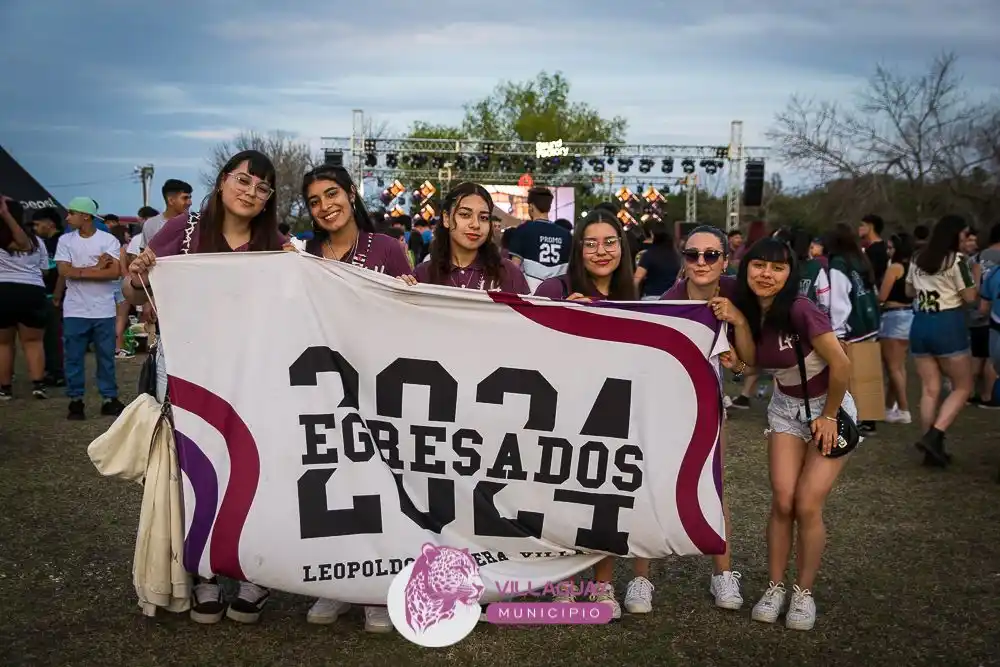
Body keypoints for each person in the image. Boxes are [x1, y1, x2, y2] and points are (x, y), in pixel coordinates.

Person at [125, 149, 287, 626]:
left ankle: (255, 573)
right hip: (188, 371)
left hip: (254, 373)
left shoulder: (277, 245)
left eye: (262, 188)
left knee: (255, 465)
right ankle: (204, 573)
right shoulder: (185, 230)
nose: (250, 193)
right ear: (221, 181)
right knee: (195, 465)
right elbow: (137, 292)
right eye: (243, 180)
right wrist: (138, 272)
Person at [291, 165, 411, 634]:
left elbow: (412, 313)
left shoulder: (386, 247)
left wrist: (407, 294)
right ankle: (337, 581)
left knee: (379, 480)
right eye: (315, 200)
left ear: (351, 194)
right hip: (324, 382)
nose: (325, 206)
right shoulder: (305, 254)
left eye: (332, 194)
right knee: (333, 478)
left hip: (381, 379)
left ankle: (377, 587)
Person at [733, 237, 855, 632]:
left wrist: (831, 416)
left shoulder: (801, 311)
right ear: (746, 267)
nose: (766, 274)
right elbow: (752, 361)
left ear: (790, 274)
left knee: (806, 504)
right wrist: (735, 321)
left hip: (828, 408)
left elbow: (841, 363)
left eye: (778, 268)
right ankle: (775, 586)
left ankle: (803, 593)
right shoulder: (752, 310)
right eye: (759, 266)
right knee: (783, 501)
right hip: (785, 409)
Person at [533, 209, 637, 619]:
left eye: (609, 242)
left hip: (611, 408)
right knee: (561, 496)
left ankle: (603, 582)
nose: (600, 251)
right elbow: (522, 340)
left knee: (605, 498)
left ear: (622, 247)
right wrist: (565, 319)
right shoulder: (554, 288)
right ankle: (563, 581)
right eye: (590, 242)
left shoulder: (633, 298)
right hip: (560, 406)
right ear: (577, 249)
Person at [660, 225, 756, 613]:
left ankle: (723, 574)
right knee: (654, 483)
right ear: (683, 260)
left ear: (725, 259)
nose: (701, 262)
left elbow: (750, 363)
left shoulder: (736, 294)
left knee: (713, 484)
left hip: (710, 402)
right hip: (667, 401)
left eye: (711, 255)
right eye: (693, 254)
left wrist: (740, 322)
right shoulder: (668, 300)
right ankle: (641, 578)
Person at [905, 215, 977, 467]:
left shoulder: (917, 259)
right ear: (954, 234)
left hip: (920, 324)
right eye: (964, 233)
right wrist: (975, 276)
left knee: (929, 389)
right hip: (947, 324)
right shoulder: (958, 261)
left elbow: (909, 292)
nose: (966, 238)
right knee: (963, 387)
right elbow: (969, 297)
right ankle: (935, 435)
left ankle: (930, 449)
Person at [55, 197, 125, 420]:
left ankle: (109, 398)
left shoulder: (108, 240)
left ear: (85, 216)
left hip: (103, 310)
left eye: (72, 213)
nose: (68, 217)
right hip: (76, 310)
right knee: (74, 357)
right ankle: (76, 400)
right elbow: (64, 272)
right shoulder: (65, 240)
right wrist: (96, 267)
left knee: (106, 357)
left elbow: (114, 273)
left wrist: (79, 271)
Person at [412, 182, 529, 294]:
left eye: (483, 218)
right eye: (465, 215)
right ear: (447, 219)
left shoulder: (508, 273)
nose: (475, 224)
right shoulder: (423, 275)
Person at [826, 223, 880, 435]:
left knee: (847, 374)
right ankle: (870, 420)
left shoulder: (839, 263)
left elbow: (840, 300)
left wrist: (838, 330)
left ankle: (850, 419)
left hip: (853, 324)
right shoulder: (861, 259)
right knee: (868, 372)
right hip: (869, 320)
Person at [0, 197, 50, 400]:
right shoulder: (37, 242)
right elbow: (45, 270)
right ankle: (38, 384)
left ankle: (5, 388)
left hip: (3, 290)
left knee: (3, 344)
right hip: (32, 291)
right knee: (33, 341)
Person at [878, 233, 916, 424]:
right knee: (899, 367)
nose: (888, 251)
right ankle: (889, 407)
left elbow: (882, 296)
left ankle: (903, 409)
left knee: (892, 368)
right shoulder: (914, 268)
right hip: (910, 315)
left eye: (891, 247)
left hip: (893, 317)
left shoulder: (894, 268)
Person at [505, 186, 572, 290]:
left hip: (531, 297)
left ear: (531, 206)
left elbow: (514, 267)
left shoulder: (523, 230)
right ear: (549, 207)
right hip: (559, 296)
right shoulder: (566, 235)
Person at [30, 208, 65, 386]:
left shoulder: (61, 241)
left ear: (49, 223)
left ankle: (57, 372)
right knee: (44, 336)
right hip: (44, 295)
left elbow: (62, 272)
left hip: (56, 296)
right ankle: (49, 370)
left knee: (54, 336)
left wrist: (57, 294)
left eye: (37, 224)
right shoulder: (42, 242)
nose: (35, 228)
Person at [972, 223, 1000, 409]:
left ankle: (976, 392)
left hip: (981, 313)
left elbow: (975, 287)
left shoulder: (977, 257)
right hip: (993, 314)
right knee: (991, 360)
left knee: (980, 356)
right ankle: (989, 396)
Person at [633, 221, 681, 299]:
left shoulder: (648, 255)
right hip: (671, 299)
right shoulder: (676, 255)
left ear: (653, 235)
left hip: (651, 298)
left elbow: (637, 279)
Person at [858, 214, 889, 286]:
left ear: (871, 226)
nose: (859, 228)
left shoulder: (876, 250)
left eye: (862, 225)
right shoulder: (880, 246)